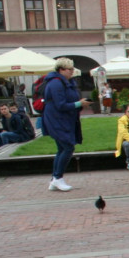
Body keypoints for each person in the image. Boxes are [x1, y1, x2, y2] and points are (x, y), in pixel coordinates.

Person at [42, 57, 90, 192]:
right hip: (57, 119)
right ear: (61, 69)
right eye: (70, 69)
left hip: (62, 119)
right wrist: (79, 103)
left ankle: (55, 179)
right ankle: (57, 177)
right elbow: (60, 105)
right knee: (68, 147)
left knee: (62, 148)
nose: (72, 71)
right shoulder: (56, 83)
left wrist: (79, 103)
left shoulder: (65, 82)